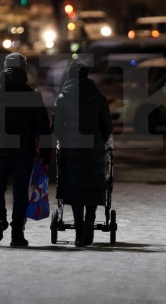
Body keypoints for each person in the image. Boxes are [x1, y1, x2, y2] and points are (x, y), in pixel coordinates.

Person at [0, 52, 52, 247]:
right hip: (24, 152)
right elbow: (42, 126)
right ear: (24, 70)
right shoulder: (33, 94)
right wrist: (46, 153)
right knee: (21, 192)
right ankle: (17, 234)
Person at [52, 61, 113, 247]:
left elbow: (56, 128)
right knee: (93, 185)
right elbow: (107, 127)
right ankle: (89, 221)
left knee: (74, 187)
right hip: (93, 149)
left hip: (71, 150)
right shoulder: (98, 97)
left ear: (70, 76)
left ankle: (79, 228)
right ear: (87, 75)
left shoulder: (62, 98)